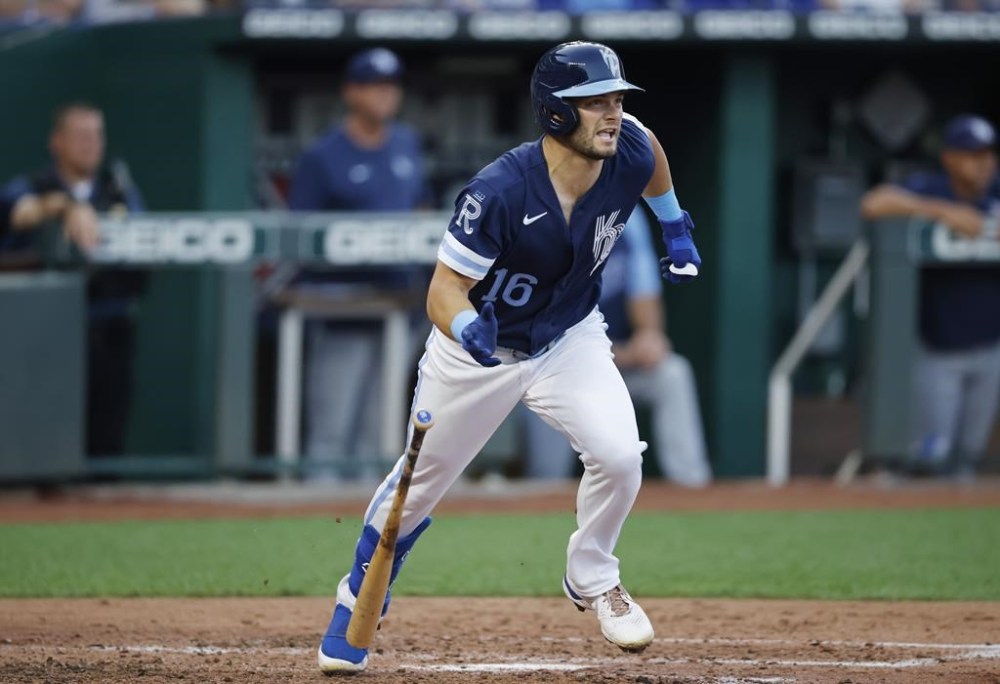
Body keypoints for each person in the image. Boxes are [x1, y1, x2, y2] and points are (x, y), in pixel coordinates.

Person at [316, 41, 702, 674]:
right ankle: (358, 597)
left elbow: (650, 152)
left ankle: (593, 576)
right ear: (555, 112)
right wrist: (467, 326)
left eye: (615, 99)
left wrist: (674, 224)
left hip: (568, 336)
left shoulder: (627, 144)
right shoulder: (499, 190)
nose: (612, 113)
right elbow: (442, 291)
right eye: (594, 102)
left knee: (618, 456)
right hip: (477, 350)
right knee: (417, 487)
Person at [287, 46, 428, 480]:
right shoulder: (323, 155)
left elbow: (422, 211)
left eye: (391, 85)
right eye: (373, 85)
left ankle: (368, 518)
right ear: (351, 91)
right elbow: (297, 236)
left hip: (400, 304)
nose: (385, 93)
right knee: (332, 430)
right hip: (342, 307)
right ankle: (316, 511)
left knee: (378, 433)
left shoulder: (406, 143)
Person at [522, 206, 712, 487]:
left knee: (671, 373)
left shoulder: (627, 216)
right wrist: (616, 354)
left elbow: (645, 299)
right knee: (546, 477)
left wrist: (649, 337)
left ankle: (692, 489)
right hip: (556, 368)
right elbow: (545, 333)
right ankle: (543, 494)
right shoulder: (544, 217)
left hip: (616, 362)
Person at [0, 102, 146, 455]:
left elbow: (144, 237)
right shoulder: (33, 186)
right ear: (57, 142)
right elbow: (19, 213)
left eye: (96, 135)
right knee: (41, 439)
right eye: (80, 135)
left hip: (108, 328)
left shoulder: (118, 188)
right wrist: (66, 206)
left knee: (106, 435)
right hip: (43, 335)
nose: (90, 144)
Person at [860, 113, 1000, 479]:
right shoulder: (931, 187)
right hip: (938, 345)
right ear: (950, 158)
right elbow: (874, 203)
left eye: (988, 154)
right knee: (931, 454)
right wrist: (942, 211)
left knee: (969, 456)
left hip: (992, 346)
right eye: (972, 154)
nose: (983, 163)